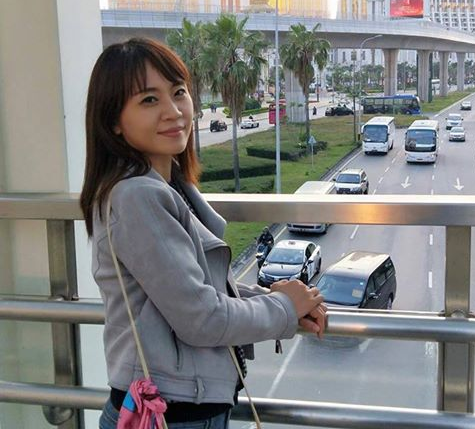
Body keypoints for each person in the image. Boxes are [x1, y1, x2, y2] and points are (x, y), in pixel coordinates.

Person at [80, 38, 327, 429]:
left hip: (179, 410)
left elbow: (192, 288)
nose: (173, 111)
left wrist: (280, 301)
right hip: (170, 415)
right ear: (113, 121)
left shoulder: (166, 185)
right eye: (149, 100)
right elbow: (202, 318)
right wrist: (283, 308)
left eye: (179, 92)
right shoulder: (137, 195)